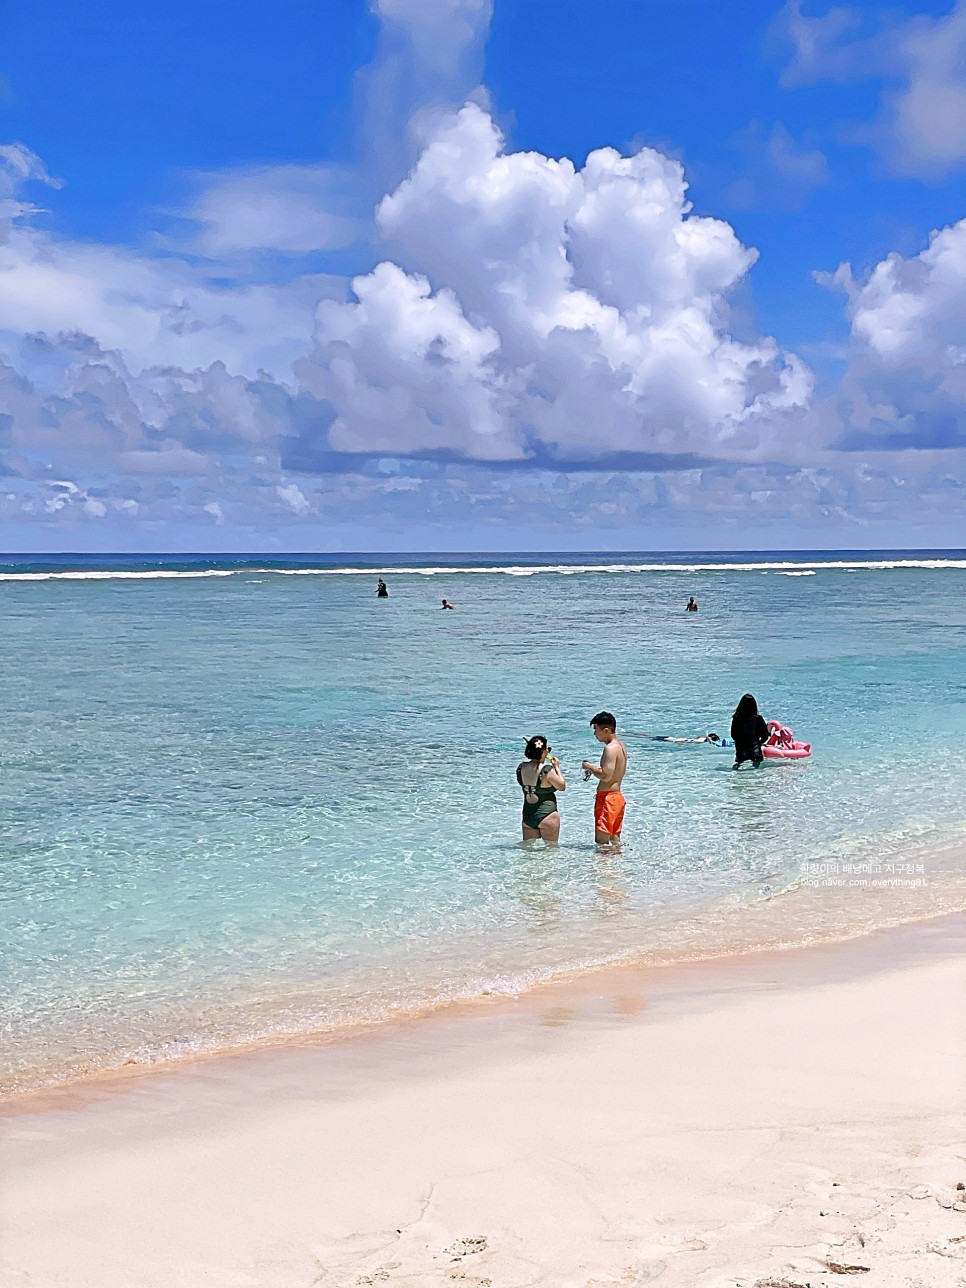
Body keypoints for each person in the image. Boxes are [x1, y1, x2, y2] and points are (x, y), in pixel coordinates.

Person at [582, 711, 627, 844]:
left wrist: (589, 766)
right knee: (614, 838)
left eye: (596, 730)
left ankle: (602, 865)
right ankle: (615, 864)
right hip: (617, 796)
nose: (595, 734)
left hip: (608, 798)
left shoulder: (610, 748)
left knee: (601, 841)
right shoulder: (620, 746)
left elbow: (605, 775)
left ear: (606, 730)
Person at [516, 735, 566, 842]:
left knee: (528, 853)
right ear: (543, 752)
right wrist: (557, 767)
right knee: (551, 851)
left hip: (528, 815)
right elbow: (562, 786)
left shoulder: (521, 768)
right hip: (547, 815)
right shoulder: (546, 770)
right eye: (547, 750)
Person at [730, 693, 770, 769]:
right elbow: (765, 735)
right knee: (757, 771)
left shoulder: (736, 718)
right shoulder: (758, 718)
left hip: (741, 750)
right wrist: (759, 743)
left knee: (738, 767)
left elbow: (733, 735)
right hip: (755, 750)